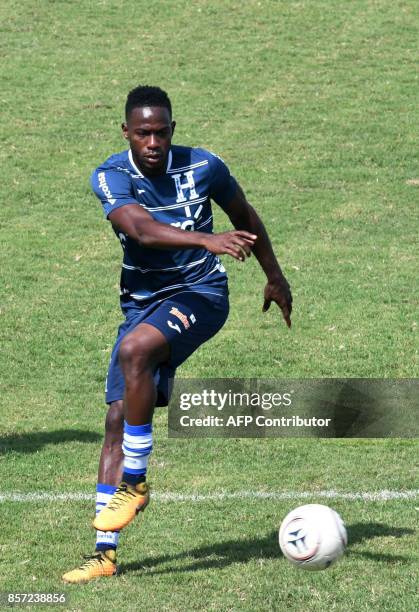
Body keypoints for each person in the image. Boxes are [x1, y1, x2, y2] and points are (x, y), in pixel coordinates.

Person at [62, 85, 292, 583]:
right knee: (117, 418)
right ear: (126, 132)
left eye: (161, 132)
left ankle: (137, 483)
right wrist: (207, 238)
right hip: (142, 303)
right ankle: (103, 555)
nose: (153, 141)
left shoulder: (203, 166)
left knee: (135, 350)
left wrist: (275, 277)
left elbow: (246, 216)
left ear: (172, 130)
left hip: (201, 295)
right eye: (143, 132)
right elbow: (141, 230)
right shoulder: (110, 175)